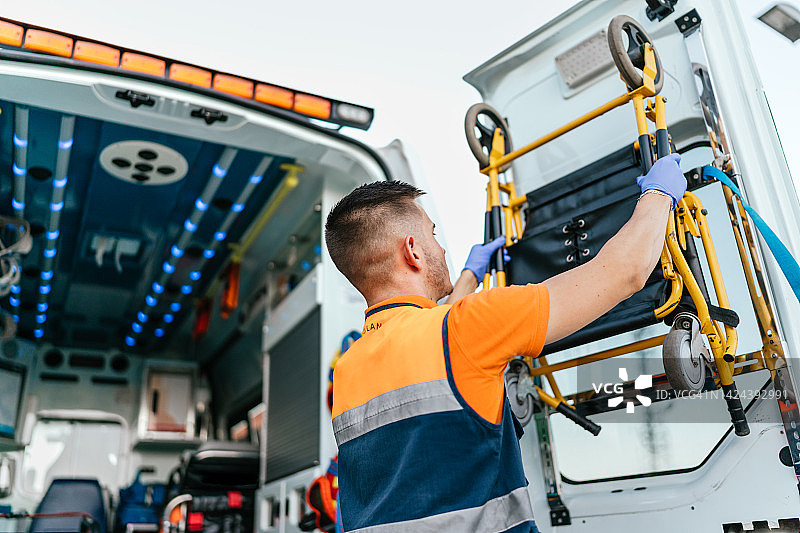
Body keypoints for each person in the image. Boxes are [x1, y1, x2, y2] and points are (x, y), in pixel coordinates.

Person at [324, 153, 685, 532]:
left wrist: (469, 276)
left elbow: (428, 342)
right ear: (412, 251)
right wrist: (659, 195)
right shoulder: (466, 328)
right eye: (433, 234)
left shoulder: (347, 372)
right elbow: (625, 273)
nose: (442, 249)